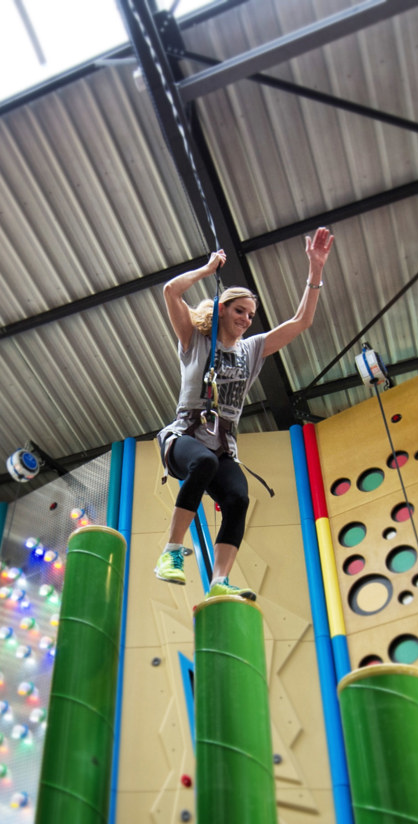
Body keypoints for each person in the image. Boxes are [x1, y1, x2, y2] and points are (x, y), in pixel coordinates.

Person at [153, 227, 335, 600]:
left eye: (251, 315)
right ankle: (170, 553)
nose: (247, 319)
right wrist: (207, 270)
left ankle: (219, 583)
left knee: (238, 498)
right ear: (222, 309)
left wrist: (315, 270)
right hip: (185, 437)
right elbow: (171, 292)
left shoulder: (252, 349)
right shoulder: (195, 340)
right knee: (202, 464)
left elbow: (301, 321)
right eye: (240, 311)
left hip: (222, 445)